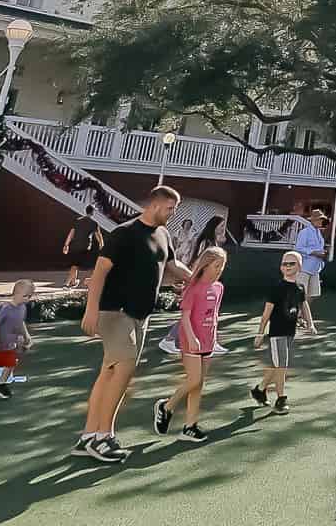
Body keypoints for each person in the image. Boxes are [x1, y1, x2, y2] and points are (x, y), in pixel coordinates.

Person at [75, 185, 192, 463]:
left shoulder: (163, 235)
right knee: (124, 369)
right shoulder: (124, 233)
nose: (172, 214)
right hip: (115, 312)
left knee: (109, 372)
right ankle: (104, 437)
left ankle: (87, 436)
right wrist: (90, 310)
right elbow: (101, 272)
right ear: (154, 205)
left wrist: (199, 279)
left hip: (141, 315)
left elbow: (172, 266)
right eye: (169, 208)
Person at [155, 245, 226, 443]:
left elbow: (215, 316)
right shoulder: (193, 289)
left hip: (208, 342)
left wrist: (214, 337)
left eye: (222, 266)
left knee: (199, 384)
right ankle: (166, 407)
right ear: (205, 265)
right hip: (191, 342)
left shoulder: (219, 287)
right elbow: (184, 318)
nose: (219, 270)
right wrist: (192, 337)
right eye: (216, 266)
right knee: (193, 380)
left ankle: (190, 426)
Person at [159, 214, 234, 355]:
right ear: (214, 225)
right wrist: (194, 279)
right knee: (193, 314)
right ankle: (168, 340)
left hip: (207, 282)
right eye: (221, 225)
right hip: (199, 282)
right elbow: (198, 261)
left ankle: (212, 341)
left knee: (207, 313)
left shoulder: (213, 241)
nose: (223, 228)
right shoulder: (205, 241)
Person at [252, 250, 314, 413]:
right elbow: (266, 313)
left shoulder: (300, 287)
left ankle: (259, 390)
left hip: (290, 332)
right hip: (277, 333)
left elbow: (303, 305)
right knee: (282, 366)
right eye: (284, 263)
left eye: (291, 263)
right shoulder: (277, 287)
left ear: (299, 266)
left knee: (277, 365)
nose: (287, 266)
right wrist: (260, 333)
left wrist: (310, 323)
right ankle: (281, 399)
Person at [295, 208, 329, 331]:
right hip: (304, 268)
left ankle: (299, 316)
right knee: (301, 295)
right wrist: (314, 252)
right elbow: (298, 248)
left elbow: (317, 248)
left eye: (322, 219)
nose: (322, 222)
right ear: (314, 220)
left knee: (313, 294)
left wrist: (322, 252)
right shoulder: (304, 232)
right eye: (320, 219)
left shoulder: (318, 233)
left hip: (315, 269)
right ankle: (298, 318)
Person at [63, 208, 103, 288]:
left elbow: (71, 233)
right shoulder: (94, 223)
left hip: (74, 245)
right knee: (75, 265)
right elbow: (99, 236)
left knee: (75, 264)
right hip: (84, 246)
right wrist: (101, 245)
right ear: (92, 213)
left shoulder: (77, 221)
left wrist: (66, 244)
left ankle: (73, 282)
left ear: (86, 211)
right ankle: (67, 283)